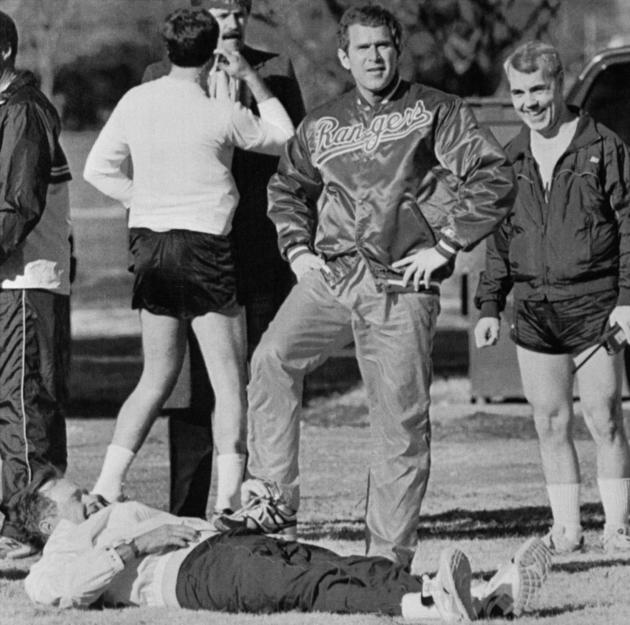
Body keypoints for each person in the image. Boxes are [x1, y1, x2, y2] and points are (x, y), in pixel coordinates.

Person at [223, 3, 515, 566]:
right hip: (332, 274)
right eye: (363, 48)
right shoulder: (322, 123)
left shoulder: (435, 110)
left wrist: (448, 244)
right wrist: (298, 249)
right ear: (343, 56)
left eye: (383, 45)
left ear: (397, 48)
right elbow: (286, 187)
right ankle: (274, 497)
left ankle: (385, 560)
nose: (374, 57)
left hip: (400, 281)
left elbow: (493, 173)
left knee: (398, 424)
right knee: (271, 359)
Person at [83, 9, 294, 513]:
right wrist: (251, 81)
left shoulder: (137, 99)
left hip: (151, 247)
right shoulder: (219, 112)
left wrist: (144, 198)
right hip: (205, 250)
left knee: (156, 377)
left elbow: (97, 169)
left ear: (169, 49)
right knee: (229, 386)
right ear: (208, 54)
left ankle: (106, 487)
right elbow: (285, 137)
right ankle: (226, 505)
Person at [142, 0, 305, 519]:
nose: (231, 21)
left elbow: (297, 154)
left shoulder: (275, 69)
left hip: (255, 252)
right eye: (219, 10)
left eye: (238, 10)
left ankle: (255, 505)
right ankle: (185, 512)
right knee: (190, 389)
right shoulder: (156, 77)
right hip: (187, 252)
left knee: (257, 381)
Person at [17, 470, 550, 621]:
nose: (90, 499)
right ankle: (428, 607)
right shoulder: (53, 560)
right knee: (309, 586)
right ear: (47, 524)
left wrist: (245, 516)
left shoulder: (112, 512)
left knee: (352, 564)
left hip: (222, 544)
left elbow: (186, 527)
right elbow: (69, 591)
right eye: (77, 499)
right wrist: (138, 544)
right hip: (191, 579)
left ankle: (482, 599)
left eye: (84, 492)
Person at [474, 41, 630, 555]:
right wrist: (490, 304)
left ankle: (617, 527)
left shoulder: (603, 147)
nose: (529, 102)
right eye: (519, 92)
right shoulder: (509, 157)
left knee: (604, 417)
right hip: (534, 310)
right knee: (549, 421)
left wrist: (626, 299)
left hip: (594, 309)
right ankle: (567, 528)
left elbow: (629, 227)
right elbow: (501, 236)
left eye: (538, 89)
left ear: (559, 83)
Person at [0, 10, 73, 559]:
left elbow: (16, 207)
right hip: (9, 283)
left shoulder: (23, 112)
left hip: (25, 282)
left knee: (23, 404)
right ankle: (21, 522)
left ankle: (30, 527)